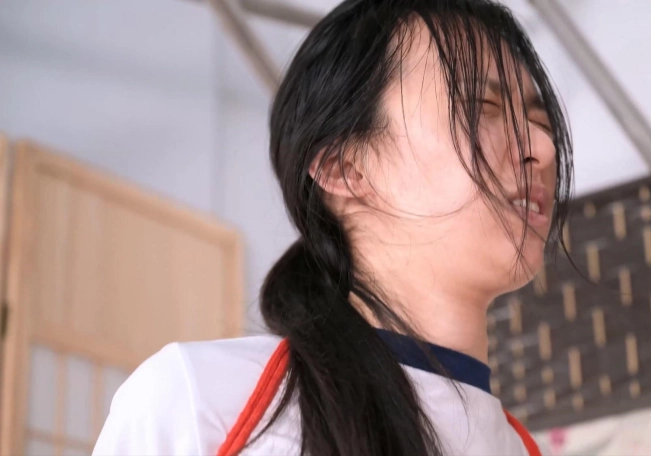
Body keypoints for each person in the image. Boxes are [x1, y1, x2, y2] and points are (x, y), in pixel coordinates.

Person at [93, 0, 573, 454]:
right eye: (482, 108)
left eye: (539, 121)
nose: (543, 148)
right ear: (345, 168)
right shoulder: (200, 405)